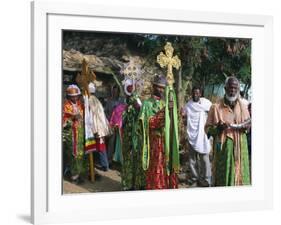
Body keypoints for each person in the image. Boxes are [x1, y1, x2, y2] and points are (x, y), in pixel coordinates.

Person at [205, 76, 251, 186]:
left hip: (241, 149)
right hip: (224, 151)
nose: (233, 91)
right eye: (230, 88)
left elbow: (248, 126)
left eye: (235, 88)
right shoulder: (215, 107)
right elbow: (207, 129)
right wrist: (218, 128)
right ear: (225, 88)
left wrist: (246, 128)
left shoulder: (243, 107)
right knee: (224, 181)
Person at [139, 75, 179, 190]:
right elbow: (149, 123)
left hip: (167, 141)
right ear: (153, 87)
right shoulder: (147, 104)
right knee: (157, 166)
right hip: (154, 142)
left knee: (167, 166)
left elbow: (173, 123)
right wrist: (164, 113)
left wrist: (175, 113)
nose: (161, 90)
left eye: (163, 88)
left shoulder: (165, 103)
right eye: (159, 87)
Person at [182, 87, 212, 187]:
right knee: (192, 159)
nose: (195, 95)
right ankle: (194, 178)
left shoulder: (206, 104)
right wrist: (183, 118)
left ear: (200, 94)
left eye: (197, 93)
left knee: (204, 158)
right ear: (191, 94)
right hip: (192, 135)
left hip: (203, 135)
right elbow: (184, 119)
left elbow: (212, 114)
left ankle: (206, 179)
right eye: (194, 93)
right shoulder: (188, 105)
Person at [121, 79, 145, 190]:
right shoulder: (126, 102)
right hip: (127, 135)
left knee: (135, 158)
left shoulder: (136, 101)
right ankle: (128, 183)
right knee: (128, 159)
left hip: (135, 135)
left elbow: (141, 114)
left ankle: (135, 184)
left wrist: (137, 109)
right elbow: (124, 119)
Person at [62, 84, 86, 184]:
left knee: (80, 154)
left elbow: (85, 116)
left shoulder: (81, 104)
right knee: (73, 154)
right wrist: (72, 118)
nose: (74, 97)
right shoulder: (66, 106)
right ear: (68, 96)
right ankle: (73, 175)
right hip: (71, 135)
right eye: (72, 96)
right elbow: (64, 121)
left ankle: (79, 173)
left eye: (76, 95)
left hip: (80, 134)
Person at [87, 82, 112, 171]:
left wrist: (93, 129)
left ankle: (105, 165)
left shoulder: (89, 100)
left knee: (100, 146)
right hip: (101, 127)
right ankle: (103, 164)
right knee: (101, 146)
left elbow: (91, 116)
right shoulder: (96, 100)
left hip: (97, 128)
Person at [105, 85, 124, 165]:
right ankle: (109, 160)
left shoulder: (121, 101)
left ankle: (118, 160)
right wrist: (109, 118)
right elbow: (105, 111)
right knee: (111, 143)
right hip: (111, 125)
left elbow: (123, 111)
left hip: (119, 126)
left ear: (119, 92)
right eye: (114, 91)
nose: (115, 93)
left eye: (116, 92)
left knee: (119, 143)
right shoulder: (109, 101)